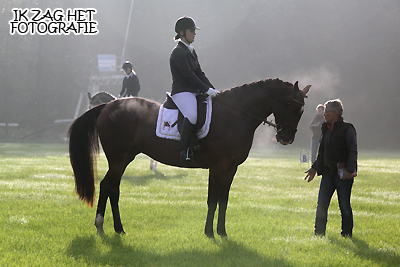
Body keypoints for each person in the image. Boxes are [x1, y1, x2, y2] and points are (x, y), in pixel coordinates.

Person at [304, 99, 357, 238]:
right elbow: (322, 152)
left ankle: (346, 235)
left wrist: (350, 171)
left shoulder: (347, 128)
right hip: (327, 174)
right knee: (321, 206)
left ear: (335, 113)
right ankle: (319, 235)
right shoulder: (325, 128)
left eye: (326, 112)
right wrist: (314, 167)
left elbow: (352, 150)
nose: (324, 115)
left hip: (343, 174)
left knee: (344, 207)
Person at [170, 16, 219, 162]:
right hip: (182, 91)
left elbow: (199, 73)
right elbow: (189, 76)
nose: (194, 33)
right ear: (182, 32)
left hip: (194, 91)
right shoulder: (178, 52)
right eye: (192, 31)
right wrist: (206, 90)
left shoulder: (191, 51)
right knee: (192, 115)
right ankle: (184, 150)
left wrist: (213, 89)